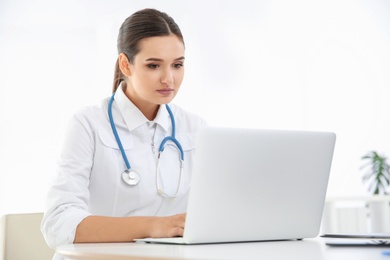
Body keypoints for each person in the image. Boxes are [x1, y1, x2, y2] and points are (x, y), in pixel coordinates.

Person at [41, 8, 208, 253]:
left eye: (177, 65)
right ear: (125, 64)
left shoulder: (195, 128)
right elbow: (57, 224)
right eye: (153, 66)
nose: (168, 79)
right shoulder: (88, 124)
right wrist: (154, 226)